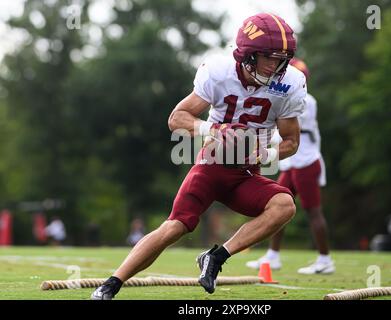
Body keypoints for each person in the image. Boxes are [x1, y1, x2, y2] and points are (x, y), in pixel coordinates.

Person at [91, 13, 307, 299]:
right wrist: (213, 129)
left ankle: (216, 258)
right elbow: (176, 118)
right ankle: (111, 284)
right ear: (248, 55)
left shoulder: (290, 81)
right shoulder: (219, 71)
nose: (275, 65)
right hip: (212, 164)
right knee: (175, 227)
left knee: (285, 205)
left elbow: (291, 141)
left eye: (281, 57)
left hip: (247, 172)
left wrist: (264, 152)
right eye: (268, 56)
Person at [246, 59, 335, 274]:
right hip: (290, 164)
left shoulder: (307, 100)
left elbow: (287, 125)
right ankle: (273, 256)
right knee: (278, 207)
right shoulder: (283, 97)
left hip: (305, 162)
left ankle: (325, 260)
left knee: (313, 211)